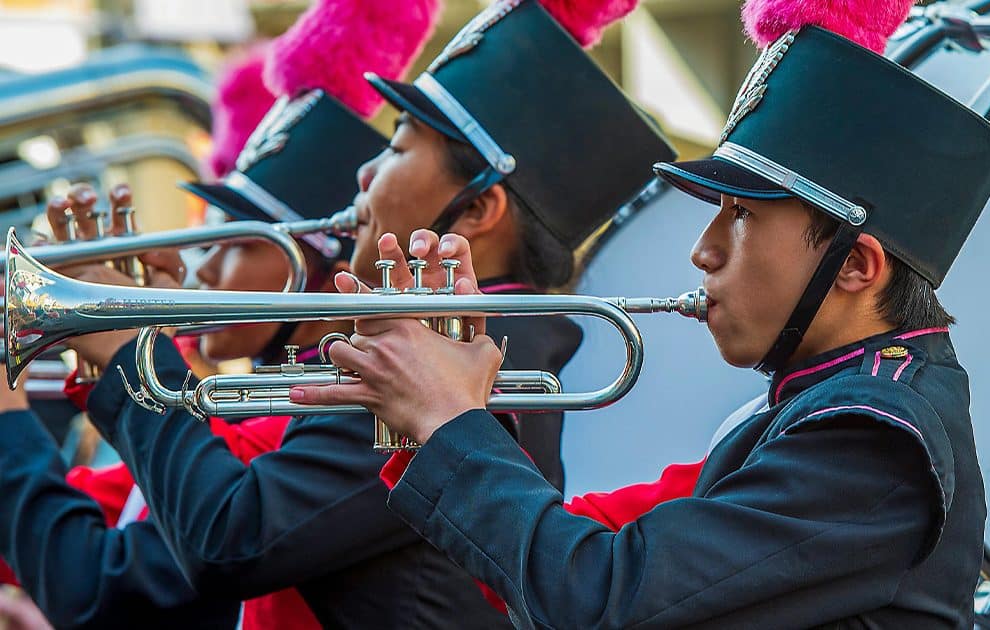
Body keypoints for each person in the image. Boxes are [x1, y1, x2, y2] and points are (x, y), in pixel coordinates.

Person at [292, 0, 990, 626]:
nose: (702, 252)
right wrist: (449, 416)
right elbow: (572, 552)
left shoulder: (867, 437)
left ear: (856, 266)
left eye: (738, 216)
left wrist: (452, 423)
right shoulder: (833, 402)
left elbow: (598, 600)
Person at [49, 0, 673, 626]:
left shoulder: (438, 345)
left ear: (478, 210)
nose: (364, 170)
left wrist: (134, 354)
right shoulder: (490, 337)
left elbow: (234, 540)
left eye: (398, 148)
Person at [0, 89, 386, 629]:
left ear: (331, 274)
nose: (203, 270)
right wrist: (110, 358)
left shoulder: (316, 421)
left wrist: (14, 418)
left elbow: (98, 586)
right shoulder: (273, 408)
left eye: (240, 244)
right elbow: (102, 505)